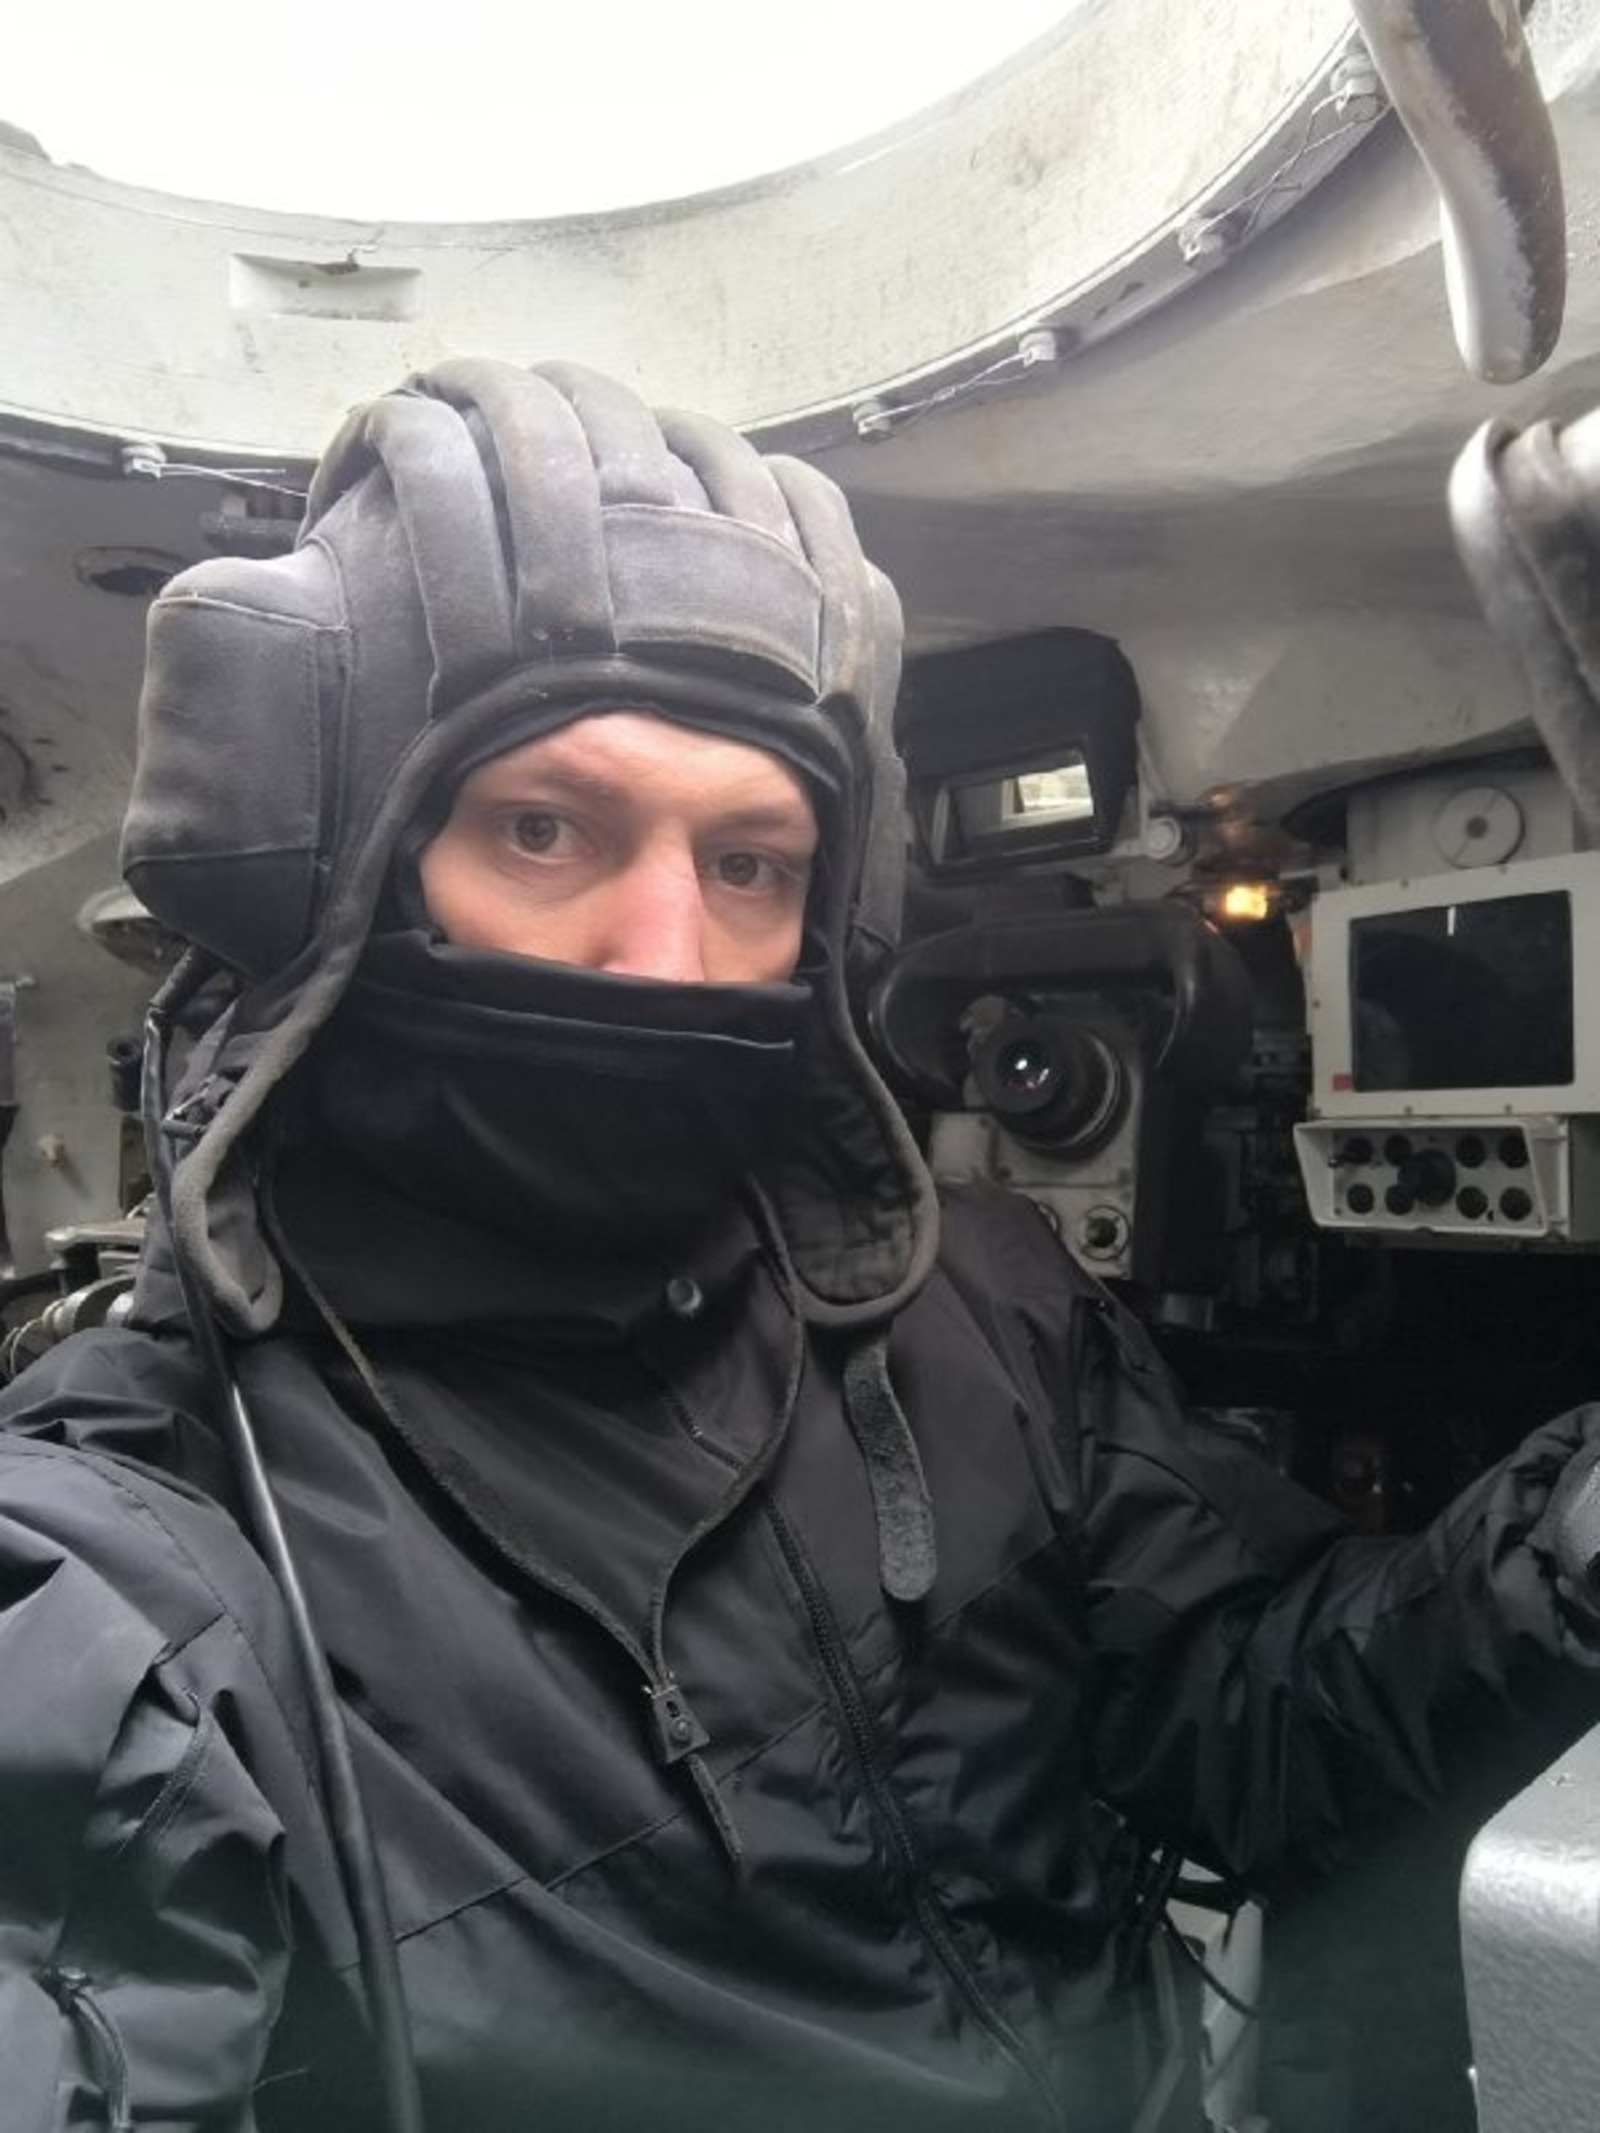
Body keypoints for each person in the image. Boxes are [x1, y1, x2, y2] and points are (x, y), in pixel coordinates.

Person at [1, 356, 1598, 2133]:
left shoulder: (974, 1305)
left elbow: (1258, 1711)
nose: (671, 948)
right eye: (545, 827)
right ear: (346, 881)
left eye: (751, 861)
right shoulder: (143, 1525)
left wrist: (1574, 1545)